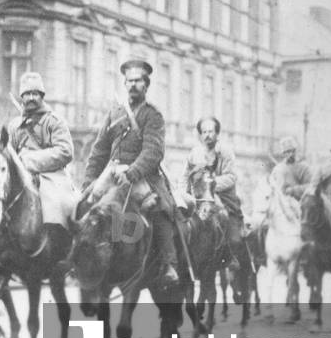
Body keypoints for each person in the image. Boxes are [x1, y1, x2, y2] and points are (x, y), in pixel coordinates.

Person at [82, 59, 180, 286]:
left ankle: (168, 264)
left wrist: (133, 172)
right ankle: (80, 258)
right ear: (124, 84)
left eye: (138, 81)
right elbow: (99, 150)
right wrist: (90, 179)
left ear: (146, 85)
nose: (133, 85)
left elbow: (153, 151)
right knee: (85, 204)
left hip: (143, 177)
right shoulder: (114, 113)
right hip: (112, 174)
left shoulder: (152, 115)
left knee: (161, 210)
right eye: (129, 81)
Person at [8, 71, 76, 252]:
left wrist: (30, 160)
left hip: (50, 174)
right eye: (27, 94)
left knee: (56, 204)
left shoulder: (54, 121)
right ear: (21, 97)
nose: (31, 98)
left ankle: (58, 247)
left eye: (35, 93)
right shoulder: (14, 125)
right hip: (21, 175)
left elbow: (65, 151)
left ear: (42, 96)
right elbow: (9, 153)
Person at [184, 116, 243, 250]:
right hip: (198, 198)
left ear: (217, 133)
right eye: (204, 132)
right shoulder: (194, 153)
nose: (207, 136)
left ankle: (230, 257)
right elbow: (185, 176)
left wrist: (211, 184)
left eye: (211, 132)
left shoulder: (226, 152)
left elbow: (232, 176)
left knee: (235, 240)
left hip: (223, 198)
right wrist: (184, 193)